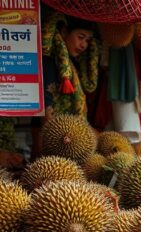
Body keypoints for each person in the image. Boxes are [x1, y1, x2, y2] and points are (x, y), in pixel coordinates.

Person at [33, 14, 98, 159]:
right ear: (63, 32)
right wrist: (53, 143)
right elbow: (46, 104)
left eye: (87, 40)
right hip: (55, 141)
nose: (84, 45)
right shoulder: (50, 62)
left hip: (66, 140)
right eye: (80, 37)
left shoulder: (70, 65)